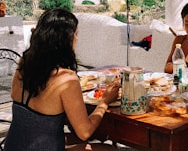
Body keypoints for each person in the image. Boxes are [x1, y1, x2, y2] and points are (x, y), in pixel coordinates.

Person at [4, 8, 120, 151]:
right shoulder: (66, 79)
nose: (77, 39)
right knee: (108, 149)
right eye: (76, 34)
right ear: (66, 39)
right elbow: (85, 132)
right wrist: (104, 102)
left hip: (14, 145)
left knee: (80, 137)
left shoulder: (25, 62)